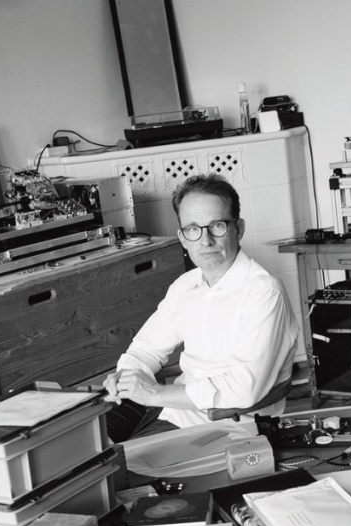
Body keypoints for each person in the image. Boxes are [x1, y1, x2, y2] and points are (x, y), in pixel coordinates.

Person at [102, 173, 298, 442]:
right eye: (193, 229)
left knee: (118, 469)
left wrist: (155, 393)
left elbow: (245, 389)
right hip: (169, 404)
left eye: (216, 226)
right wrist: (123, 377)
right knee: (82, 444)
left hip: (218, 423)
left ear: (238, 228)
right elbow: (146, 349)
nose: (205, 240)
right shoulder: (185, 286)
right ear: (183, 238)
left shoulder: (263, 292)